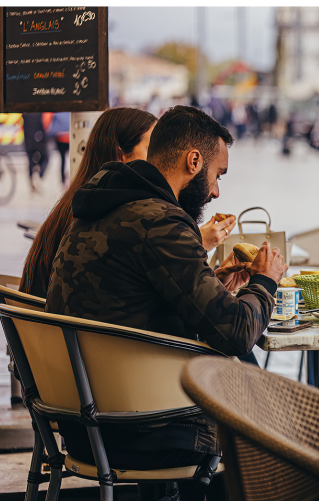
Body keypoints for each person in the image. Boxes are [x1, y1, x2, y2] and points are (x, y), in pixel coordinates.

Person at [46, 105, 286, 480]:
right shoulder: (161, 221)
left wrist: (213, 285)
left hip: (81, 423)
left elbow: (129, 300)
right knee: (282, 430)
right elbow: (237, 333)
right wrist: (265, 281)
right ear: (194, 161)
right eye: (217, 175)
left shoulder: (102, 204)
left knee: (254, 402)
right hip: (140, 429)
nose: (216, 191)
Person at [20, 108, 237, 300]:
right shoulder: (113, 218)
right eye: (153, 149)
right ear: (120, 155)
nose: (161, 160)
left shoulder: (85, 205)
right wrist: (193, 242)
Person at [22, 113, 50, 193]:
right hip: (38, 137)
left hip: (28, 139)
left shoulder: (25, 113)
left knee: (30, 160)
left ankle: (32, 180)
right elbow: (43, 124)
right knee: (46, 157)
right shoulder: (39, 111)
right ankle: (38, 176)